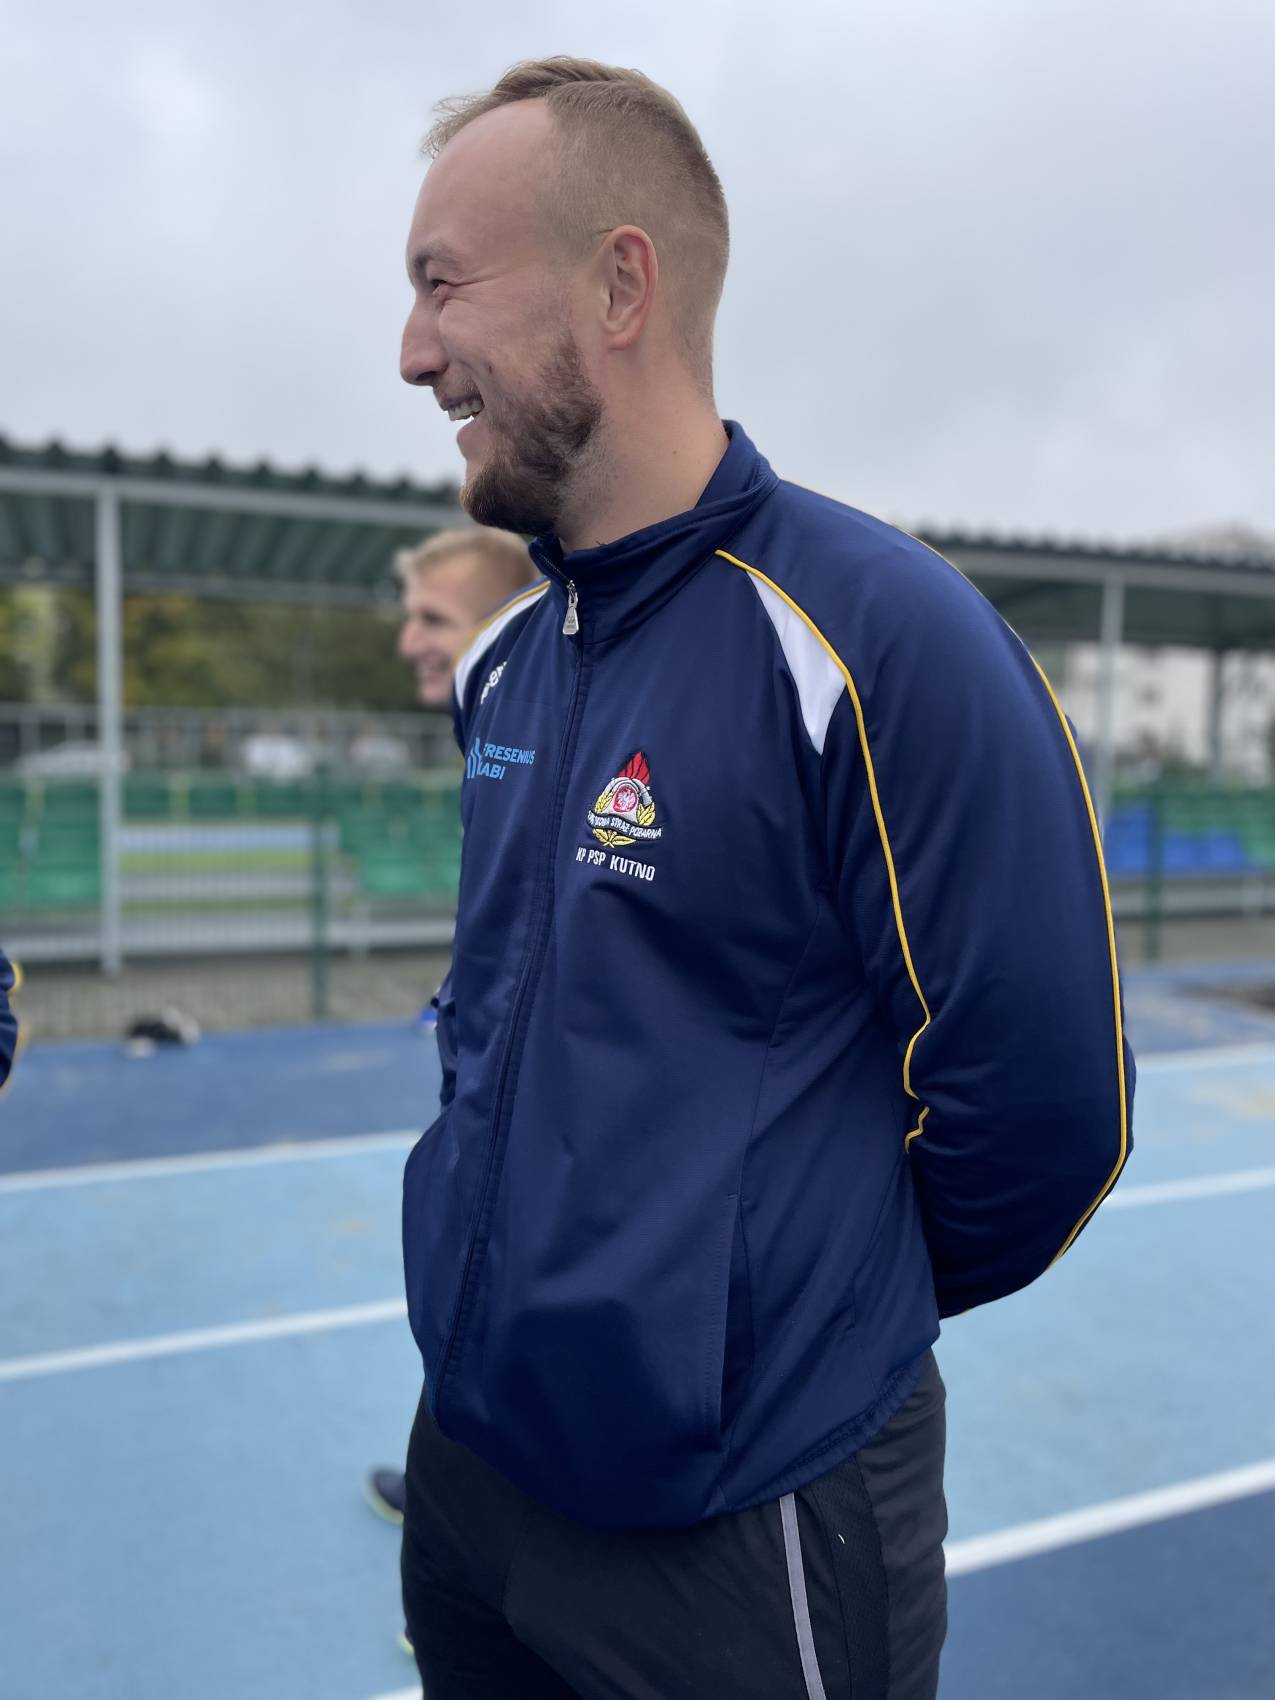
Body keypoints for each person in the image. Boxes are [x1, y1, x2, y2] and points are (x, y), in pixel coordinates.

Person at [395, 58, 1135, 1700]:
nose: (411, 351)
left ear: (620, 287)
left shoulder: (881, 639)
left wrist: (770, 1324)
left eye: (444, 284)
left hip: (745, 1517)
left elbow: (1045, 1118)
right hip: (469, 1470)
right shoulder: (509, 663)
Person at [365, 523, 540, 1532]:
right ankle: (452, 1494)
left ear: (503, 626)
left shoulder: (546, 734)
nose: (408, 641)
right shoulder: (491, 735)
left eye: (433, 618)